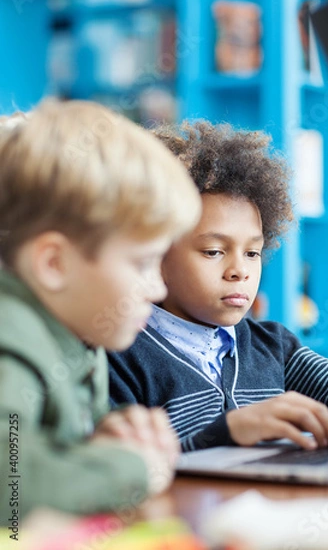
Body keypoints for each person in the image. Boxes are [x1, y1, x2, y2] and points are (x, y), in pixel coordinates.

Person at [0, 99, 201, 524]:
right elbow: (9, 487)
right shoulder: (11, 338)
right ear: (54, 264)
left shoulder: (79, 334)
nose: (159, 288)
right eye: (142, 263)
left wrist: (109, 438)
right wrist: (133, 469)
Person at [108, 120, 328, 452]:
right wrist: (226, 431)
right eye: (213, 251)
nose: (239, 271)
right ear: (156, 255)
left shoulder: (272, 347)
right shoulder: (121, 355)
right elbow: (120, 463)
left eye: (252, 252)